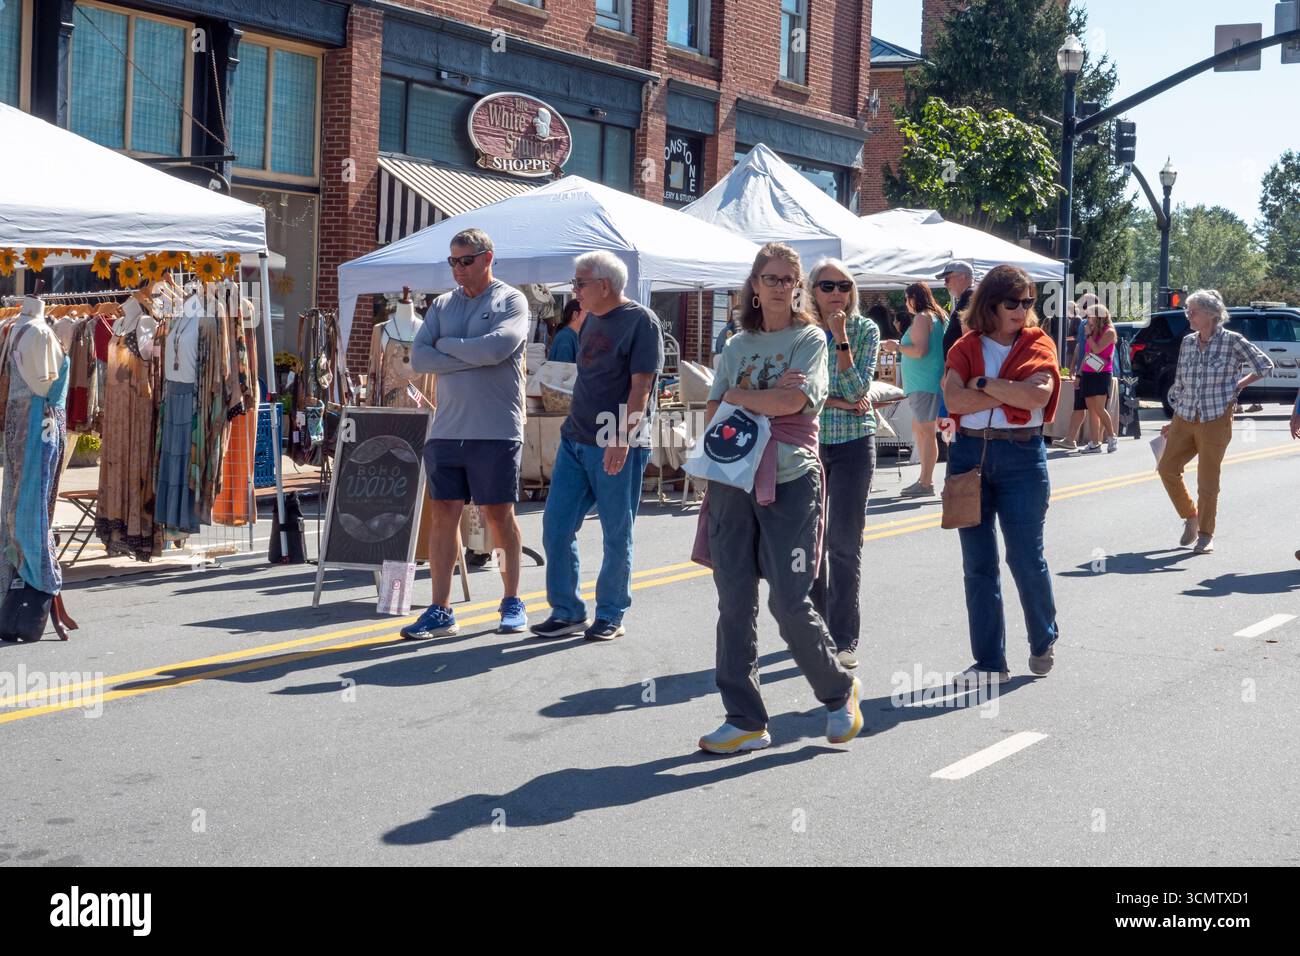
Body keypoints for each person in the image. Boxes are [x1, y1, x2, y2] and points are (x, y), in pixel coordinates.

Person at [694, 241, 861, 754]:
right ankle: (745, 718)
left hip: (790, 480)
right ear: (754, 285)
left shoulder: (810, 338)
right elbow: (711, 411)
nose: (781, 286)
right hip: (732, 481)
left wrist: (742, 399)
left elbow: (795, 401)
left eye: (790, 279)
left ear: (798, 288)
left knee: (790, 602)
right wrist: (759, 402)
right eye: (771, 278)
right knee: (734, 602)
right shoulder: (737, 345)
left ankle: (838, 693)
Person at [403, 228, 530, 638]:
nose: (458, 269)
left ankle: (512, 600)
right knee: (442, 516)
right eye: (453, 262)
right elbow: (420, 358)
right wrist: (471, 352)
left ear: (487, 258)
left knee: (499, 516)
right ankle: (440, 609)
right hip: (446, 429)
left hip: (495, 429)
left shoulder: (511, 299)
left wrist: (449, 347)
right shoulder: (441, 304)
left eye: (466, 260)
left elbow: (498, 349)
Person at [532, 252, 664, 641]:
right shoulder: (589, 320)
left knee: (616, 530)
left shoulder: (641, 321)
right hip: (577, 437)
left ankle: (611, 613)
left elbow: (642, 388)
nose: (574, 291)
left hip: (617, 438)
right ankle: (568, 611)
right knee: (556, 526)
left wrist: (622, 437)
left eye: (579, 284)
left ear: (604, 285)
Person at [942, 264, 1062, 683]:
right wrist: (1004, 390)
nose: (1022, 309)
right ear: (990, 303)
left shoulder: (1038, 342)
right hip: (969, 456)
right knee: (978, 565)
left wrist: (982, 383)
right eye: (1013, 301)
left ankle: (1043, 638)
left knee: (1026, 557)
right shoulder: (966, 344)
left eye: (1028, 301)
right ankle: (990, 661)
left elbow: (1036, 396)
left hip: (1021, 456)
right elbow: (953, 401)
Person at [1158, 289, 1272, 554]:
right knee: (1167, 468)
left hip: (1216, 417)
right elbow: (1181, 384)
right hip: (1185, 415)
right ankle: (1191, 516)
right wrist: (1174, 420)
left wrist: (1237, 386)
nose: (1188, 315)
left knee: (1207, 479)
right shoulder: (1187, 342)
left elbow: (1264, 365)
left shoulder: (1233, 341)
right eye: (1188, 310)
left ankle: (1206, 535)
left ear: (1211, 314)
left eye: (1193, 311)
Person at [807, 258, 880, 670]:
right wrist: (834, 400)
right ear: (813, 291)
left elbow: (857, 388)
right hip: (810, 443)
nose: (837, 293)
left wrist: (839, 338)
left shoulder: (865, 329)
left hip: (854, 443)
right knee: (811, 541)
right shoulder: (800, 330)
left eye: (844, 286)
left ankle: (845, 636)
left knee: (844, 543)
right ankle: (815, 626)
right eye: (827, 286)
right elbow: (800, 393)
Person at [882, 282, 947, 496]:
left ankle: (926, 483)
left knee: (926, 434)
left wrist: (896, 346)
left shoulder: (922, 317)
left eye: (906, 298)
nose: (905, 303)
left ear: (913, 298)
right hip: (926, 382)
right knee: (923, 433)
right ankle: (924, 480)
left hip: (924, 383)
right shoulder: (938, 316)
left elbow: (919, 351)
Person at [1076, 302, 1120, 454]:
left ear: (1099, 316)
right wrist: (1079, 374)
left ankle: (1112, 436)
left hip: (1102, 373)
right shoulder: (1092, 331)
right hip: (1088, 372)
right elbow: (1087, 354)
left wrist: (1088, 335)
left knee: (1100, 408)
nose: (1087, 318)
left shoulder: (1109, 332)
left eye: (1090, 315)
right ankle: (1095, 443)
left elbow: (1097, 349)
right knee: (1091, 409)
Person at [938, 260, 975, 359]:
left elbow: (970, 336)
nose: (945, 284)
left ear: (962, 278)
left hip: (962, 367)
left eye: (947, 279)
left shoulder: (969, 295)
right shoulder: (970, 296)